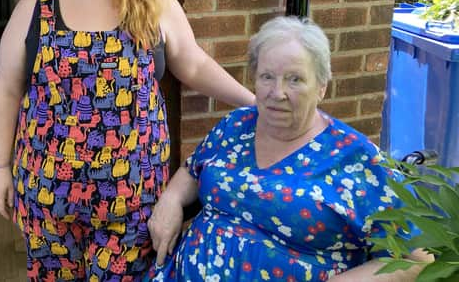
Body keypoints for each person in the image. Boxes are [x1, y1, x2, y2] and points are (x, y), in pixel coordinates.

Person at [0, 0, 255, 282]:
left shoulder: (153, 2)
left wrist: (253, 102)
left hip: (133, 200)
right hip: (48, 199)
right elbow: (7, 88)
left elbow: (194, 65)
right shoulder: (36, 8)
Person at [146, 16, 431, 281]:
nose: (277, 92)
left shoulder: (357, 159)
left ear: (321, 87)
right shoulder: (236, 125)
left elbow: (417, 258)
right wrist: (171, 199)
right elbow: (193, 169)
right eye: (267, 76)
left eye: (295, 79)